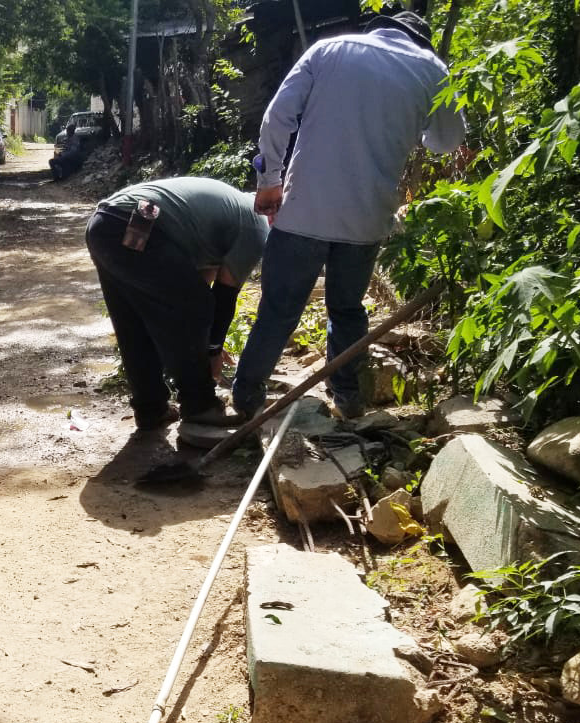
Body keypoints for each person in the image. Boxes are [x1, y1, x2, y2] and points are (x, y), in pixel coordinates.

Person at [230, 11, 465, 420]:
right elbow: (447, 142)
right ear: (420, 42)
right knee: (347, 309)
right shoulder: (432, 69)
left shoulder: (330, 50)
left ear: (377, 29)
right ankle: (349, 400)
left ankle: (247, 399)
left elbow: (277, 116)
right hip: (367, 217)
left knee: (279, 309)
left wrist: (269, 180)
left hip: (304, 210)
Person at [85, 177, 270, 440]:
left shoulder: (227, 214)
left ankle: (151, 409)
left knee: (134, 323)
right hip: (138, 225)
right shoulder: (257, 225)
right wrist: (212, 350)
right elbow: (223, 296)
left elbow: (195, 286)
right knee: (197, 307)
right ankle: (200, 404)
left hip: (104, 225)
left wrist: (205, 341)